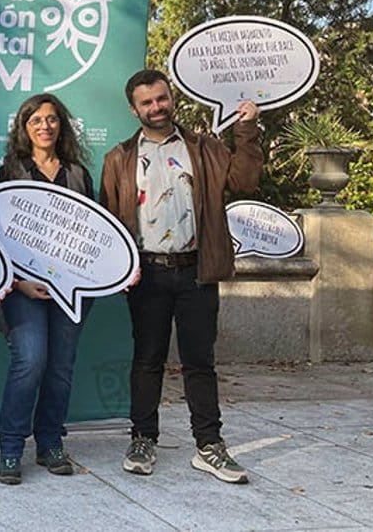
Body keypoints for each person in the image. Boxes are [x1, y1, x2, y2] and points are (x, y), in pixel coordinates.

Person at [99, 68, 261, 484]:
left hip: (196, 273)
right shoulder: (118, 158)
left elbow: (245, 181)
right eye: (147, 102)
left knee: (199, 364)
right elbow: (108, 222)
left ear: (171, 99)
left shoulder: (204, 148)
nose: (156, 107)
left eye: (161, 98)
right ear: (133, 109)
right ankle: (142, 439)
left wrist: (247, 129)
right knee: (147, 361)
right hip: (147, 276)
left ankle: (209, 447)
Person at [0, 93, 94, 486]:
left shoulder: (78, 173)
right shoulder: (9, 172)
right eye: (36, 120)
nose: (45, 126)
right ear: (24, 127)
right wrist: (18, 283)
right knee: (30, 361)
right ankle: (10, 447)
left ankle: (50, 441)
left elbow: (94, 235)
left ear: (62, 126)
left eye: (52, 119)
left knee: (61, 368)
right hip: (24, 289)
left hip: (71, 290)